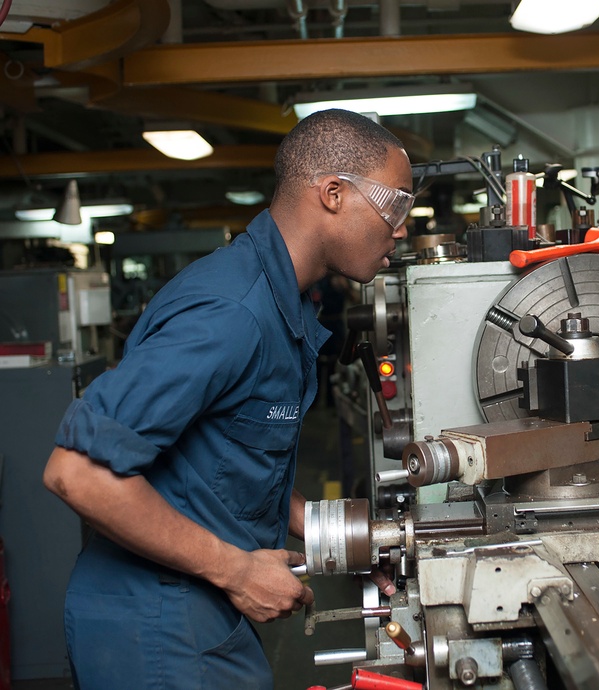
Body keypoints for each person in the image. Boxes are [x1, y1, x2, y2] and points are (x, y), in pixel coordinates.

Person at [42, 109, 412, 689]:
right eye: (396, 205)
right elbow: (76, 473)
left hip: (194, 608)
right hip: (155, 619)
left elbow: (227, 460)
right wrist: (236, 569)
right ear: (333, 194)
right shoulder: (232, 312)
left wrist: (345, 537)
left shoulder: (283, 301)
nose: (402, 228)